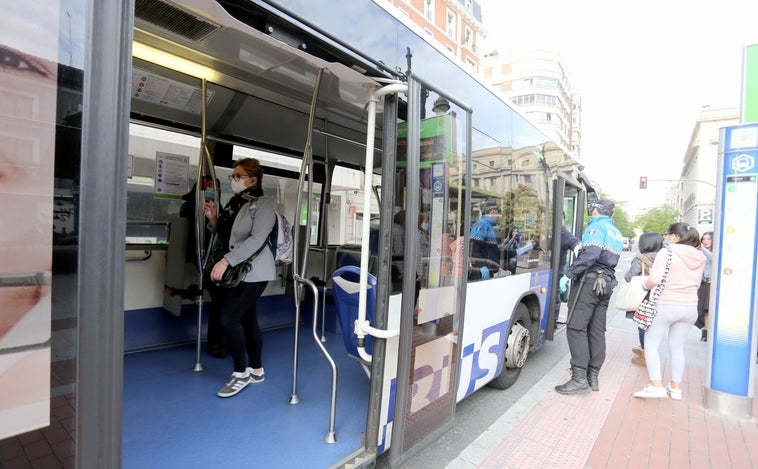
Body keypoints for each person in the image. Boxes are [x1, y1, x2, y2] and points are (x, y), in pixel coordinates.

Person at [203, 158, 276, 398]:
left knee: (228, 319)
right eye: (233, 176)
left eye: (238, 176)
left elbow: (257, 239)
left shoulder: (263, 204)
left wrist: (226, 261)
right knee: (248, 320)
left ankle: (240, 373)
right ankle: (256, 370)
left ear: (252, 180)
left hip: (255, 272)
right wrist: (214, 220)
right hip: (239, 272)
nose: (234, 180)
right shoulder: (235, 203)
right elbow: (228, 236)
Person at [555, 199, 622, 394]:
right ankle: (593, 378)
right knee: (596, 330)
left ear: (595, 210)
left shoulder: (596, 227)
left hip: (590, 283)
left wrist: (570, 273)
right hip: (606, 282)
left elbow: (590, 254)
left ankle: (578, 378)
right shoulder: (615, 232)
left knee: (576, 328)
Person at [633, 222, 705, 400]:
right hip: (689, 307)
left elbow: (655, 278)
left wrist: (644, 285)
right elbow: (698, 282)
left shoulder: (668, 251)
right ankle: (675, 387)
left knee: (651, 344)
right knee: (678, 347)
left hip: (666, 304)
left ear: (675, 237)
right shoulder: (700, 256)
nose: (665, 238)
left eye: (667, 235)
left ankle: (656, 385)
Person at [180, 179, 228, 358]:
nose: (210, 193)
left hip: (214, 256)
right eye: (206, 189)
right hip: (201, 257)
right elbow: (192, 235)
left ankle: (220, 338)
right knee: (220, 299)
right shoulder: (189, 207)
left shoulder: (218, 207)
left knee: (222, 299)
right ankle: (215, 340)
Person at [624, 232, 663, 367]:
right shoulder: (666, 258)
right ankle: (649, 350)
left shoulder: (640, 258)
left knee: (643, 324)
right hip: (662, 296)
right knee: (655, 326)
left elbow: (630, 277)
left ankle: (645, 354)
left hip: (645, 297)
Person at [555, 211, 581, 328]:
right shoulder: (549, 231)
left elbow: (575, 244)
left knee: (555, 298)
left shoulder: (564, 234)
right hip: (544, 270)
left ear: (563, 220)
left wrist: (578, 249)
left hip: (557, 272)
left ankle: (553, 323)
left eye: (560, 218)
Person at [695, 231, 713, 341]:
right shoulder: (701, 252)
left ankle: (707, 332)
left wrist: (703, 249)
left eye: (708, 239)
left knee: (708, 309)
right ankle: (705, 330)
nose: (705, 241)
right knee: (702, 309)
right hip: (703, 283)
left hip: (712, 284)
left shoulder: (714, 252)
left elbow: (714, 259)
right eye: (704, 239)